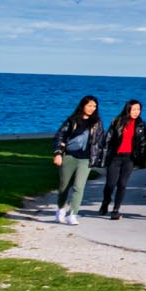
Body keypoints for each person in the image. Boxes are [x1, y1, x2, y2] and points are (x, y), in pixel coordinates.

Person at [51, 95, 103, 224]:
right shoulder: (72, 120)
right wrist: (58, 153)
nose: (92, 108)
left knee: (79, 187)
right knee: (64, 186)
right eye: (89, 105)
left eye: (94, 106)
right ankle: (61, 209)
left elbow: (100, 141)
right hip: (69, 156)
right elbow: (60, 136)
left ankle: (73, 214)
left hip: (86, 159)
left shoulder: (97, 123)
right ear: (83, 105)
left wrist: (100, 156)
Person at [96, 100, 146, 219]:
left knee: (122, 184)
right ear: (128, 109)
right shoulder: (117, 121)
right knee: (110, 184)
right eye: (134, 109)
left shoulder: (141, 124)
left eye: (139, 109)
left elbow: (143, 143)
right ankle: (105, 202)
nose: (137, 112)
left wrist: (142, 161)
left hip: (129, 158)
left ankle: (116, 210)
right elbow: (107, 140)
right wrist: (103, 158)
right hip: (115, 157)